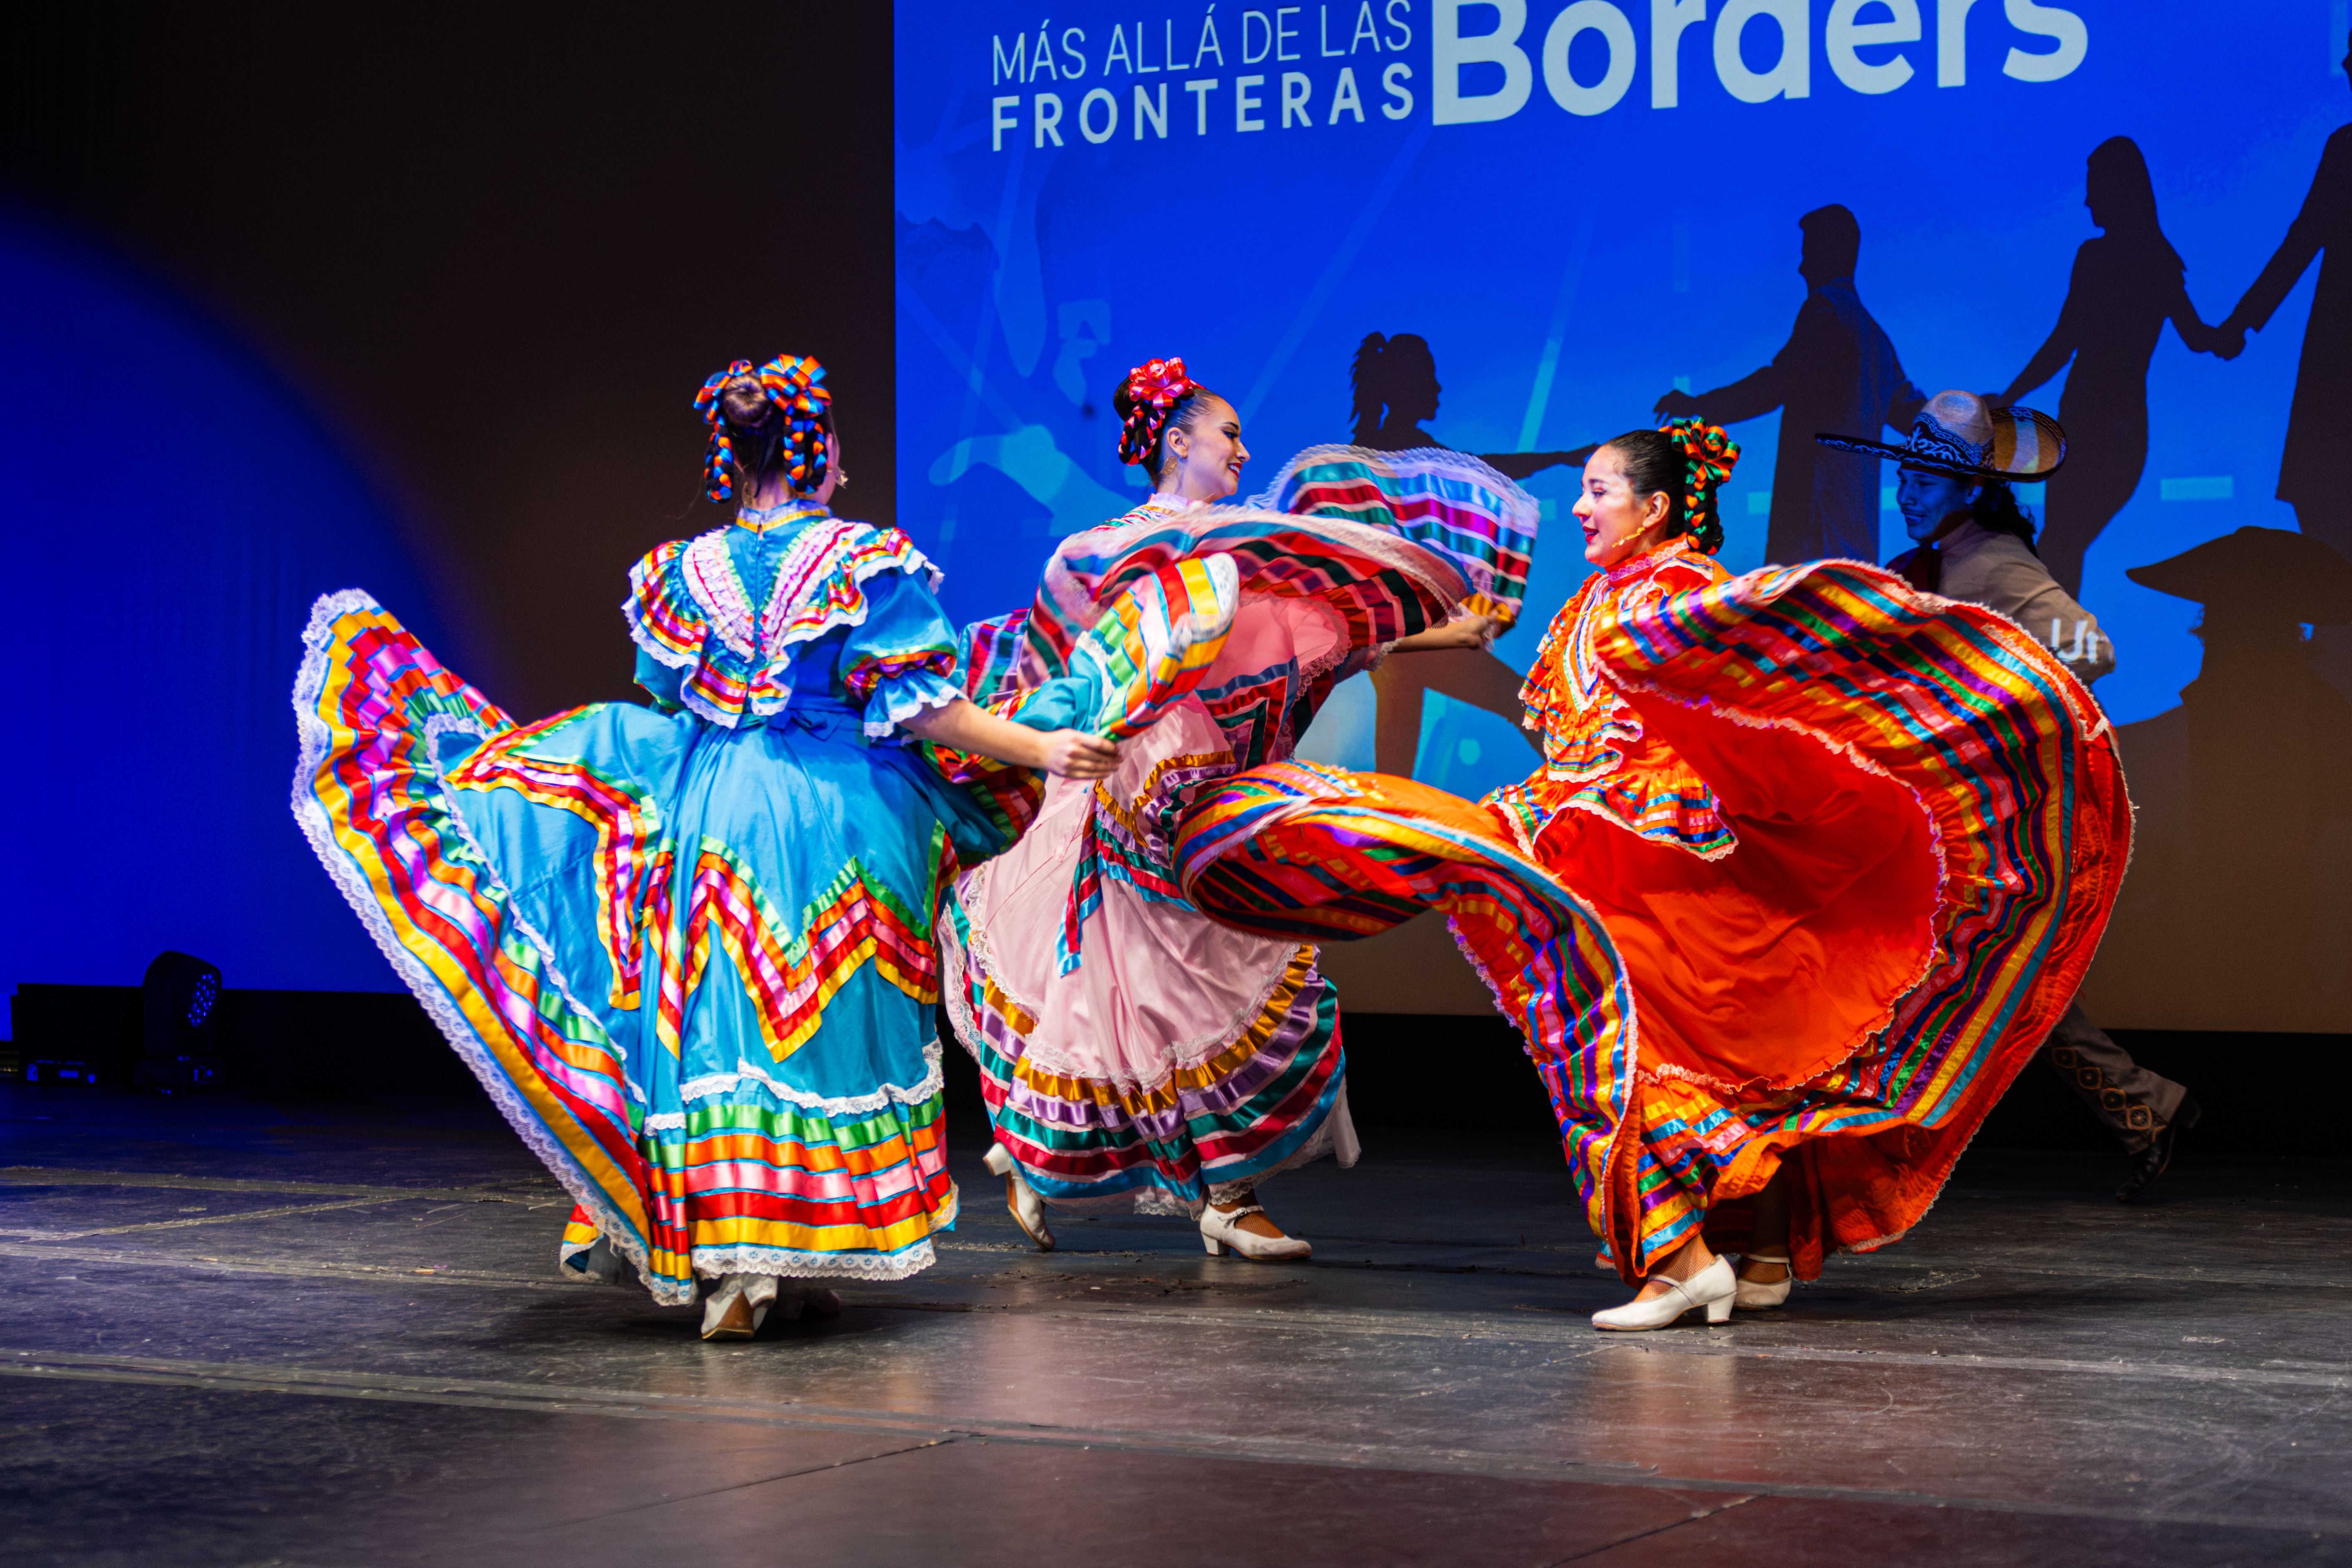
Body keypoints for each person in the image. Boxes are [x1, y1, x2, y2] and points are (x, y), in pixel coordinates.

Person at [293, 353, 1190, 1340]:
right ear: (824, 452)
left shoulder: (684, 572)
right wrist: (1042, 746)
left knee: (726, 1021)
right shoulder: (863, 565)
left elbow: (675, 699)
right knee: (824, 1030)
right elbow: (927, 708)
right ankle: (784, 1254)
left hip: (712, 807)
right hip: (835, 815)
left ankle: (752, 1266)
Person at [1471, 418, 2128, 1328]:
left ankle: (1677, 1262)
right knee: (1714, 1055)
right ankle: (1760, 1251)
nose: (1578, 506)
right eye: (1580, 488)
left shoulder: (1679, 586)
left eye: (1599, 490)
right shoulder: (1595, 598)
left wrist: (1978, 690)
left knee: (1633, 1045)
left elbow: (1718, 692)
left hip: (1667, 850)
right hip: (1614, 848)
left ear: (1655, 508)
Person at [939, 355, 1528, 1259]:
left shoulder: (1247, 546)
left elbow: (1323, 633)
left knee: (1200, 974)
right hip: (1137, 773)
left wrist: (1452, 624)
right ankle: (1201, 1186)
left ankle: (1216, 1189)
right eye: (1228, 435)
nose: (1243, 451)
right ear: (1177, 442)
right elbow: (1088, 660)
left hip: (1211, 777)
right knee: (1144, 989)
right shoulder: (1124, 548)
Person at [1826, 391, 2197, 1200]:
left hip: (1992, 824)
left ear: (1973, 490)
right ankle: (2141, 1108)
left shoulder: (1992, 562)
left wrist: (1975, 707)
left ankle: (1856, 1149)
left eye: (1931, 477)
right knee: (1984, 981)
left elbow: (2087, 646)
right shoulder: (1933, 565)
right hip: (1940, 820)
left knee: (1986, 980)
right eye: (1907, 472)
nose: (1911, 490)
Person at [2001, 137, 2234, 595]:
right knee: (2062, 545)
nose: (2088, 200)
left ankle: (2051, 653)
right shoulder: (2158, 261)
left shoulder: (2098, 258)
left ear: (2116, 190)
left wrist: (2009, 397)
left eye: (2095, 188)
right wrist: (2232, 334)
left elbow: (2062, 343)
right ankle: (2056, 651)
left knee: (2059, 545)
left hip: (2089, 424)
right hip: (2120, 429)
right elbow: (2199, 337)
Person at [1655, 205, 1925, 566]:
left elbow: (1777, 383)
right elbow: (1914, 417)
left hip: (1816, 518)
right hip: (1855, 530)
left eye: (1807, 253)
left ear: (1827, 252)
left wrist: (1697, 406)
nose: (1801, 267)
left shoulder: (1825, 309)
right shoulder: (1875, 338)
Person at [2221, 30, 2352, 560]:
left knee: (2323, 498)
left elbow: (2302, 242)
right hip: (2334, 356)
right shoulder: (2344, 148)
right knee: (2320, 498)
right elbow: (2303, 240)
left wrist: (2238, 326)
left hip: (2338, 358)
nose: (2345, 61)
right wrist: (2241, 323)